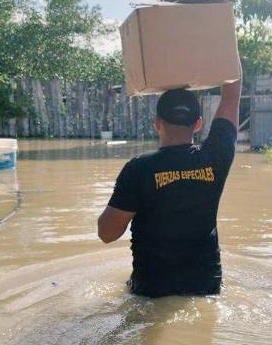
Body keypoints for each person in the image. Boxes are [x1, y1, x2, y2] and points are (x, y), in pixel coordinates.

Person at [97, 77, 241, 298]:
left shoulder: (139, 169)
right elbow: (231, 98)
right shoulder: (216, 157)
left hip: (152, 291)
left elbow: (107, 233)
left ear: (157, 122)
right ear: (198, 124)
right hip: (206, 287)